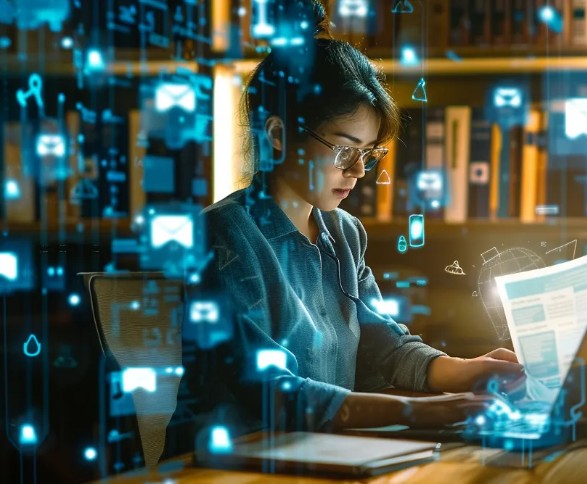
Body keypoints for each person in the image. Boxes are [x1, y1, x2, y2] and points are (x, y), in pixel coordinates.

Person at [180, 0, 522, 443]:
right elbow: (270, 392)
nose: (359, 170)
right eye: (344, 150)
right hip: (232, 460)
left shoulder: (344, 233)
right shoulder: (222, 235)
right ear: (278, 135)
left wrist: (467, 371)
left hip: (319, 449)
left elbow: (385, 347)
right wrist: (422, 411)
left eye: (369, 153)